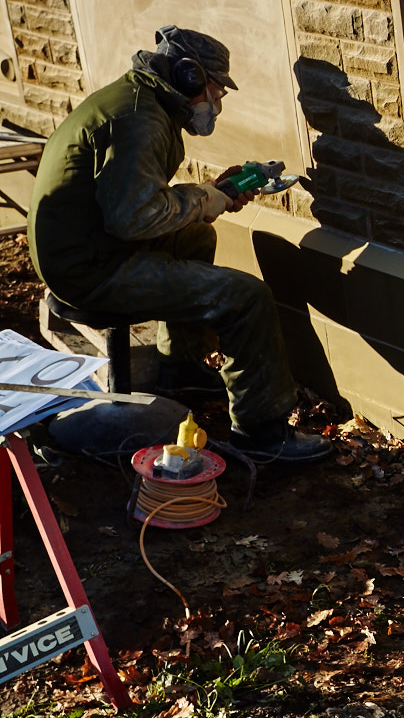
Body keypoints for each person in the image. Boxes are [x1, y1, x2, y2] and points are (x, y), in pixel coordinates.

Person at [28, 26, 330, 463]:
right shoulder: (141, 120)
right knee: (247, 297)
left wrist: (212, 195)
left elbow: (131, 201)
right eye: (214, 90)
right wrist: (205, 197)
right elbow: (134, 218)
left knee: (196, 235)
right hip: (90, 269)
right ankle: (262, 434)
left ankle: (179, 367)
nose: (217, 103)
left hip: (81, 247)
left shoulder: (139, 100)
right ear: (188, 77)